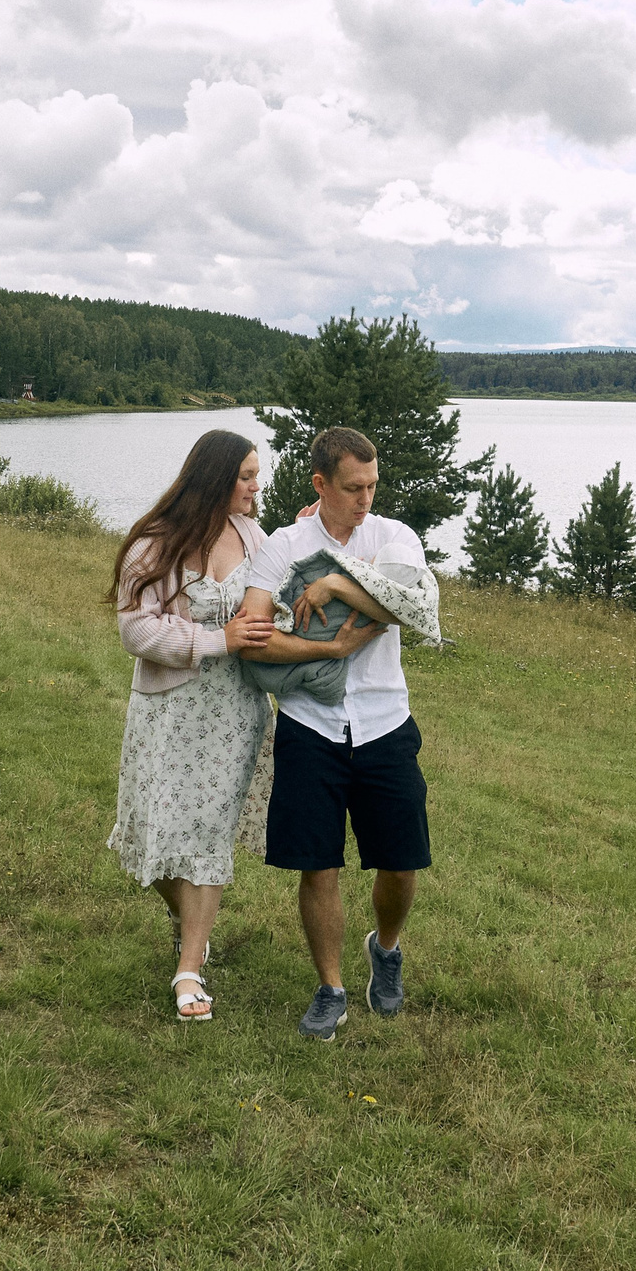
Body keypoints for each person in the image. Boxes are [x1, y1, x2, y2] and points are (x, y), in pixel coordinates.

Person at [109, 431, 370, 1021]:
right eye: (248, 476)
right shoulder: (155, 545)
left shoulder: (253, 536)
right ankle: (186, 920)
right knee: (152, 831)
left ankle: (190, 968)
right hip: (170, 711)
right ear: (214, 479)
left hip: (235, 712)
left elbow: (280, 579)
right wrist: (215, 639)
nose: (257, 485)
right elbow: (135, 631)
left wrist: (309, 527)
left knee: (207, 834)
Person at [237, 426, 435, 1041]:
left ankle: (387, 947)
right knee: (317, 866)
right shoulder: (284, 546)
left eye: (373, 486)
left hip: (385, 723)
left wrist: (338, 586)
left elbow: (415, 611)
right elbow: (252, 632)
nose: (366, 499)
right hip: (309, 724)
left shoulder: (396, 537)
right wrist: (342, 636)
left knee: (401, 863)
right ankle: (330, 988)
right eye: (353, 488)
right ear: (320, 484)